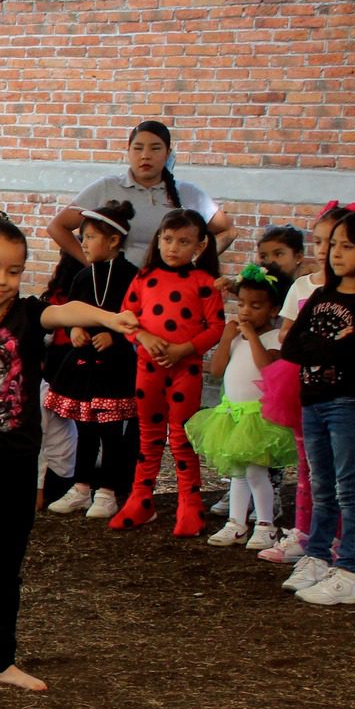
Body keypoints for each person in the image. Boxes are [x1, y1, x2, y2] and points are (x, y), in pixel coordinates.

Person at [0, 212, 138, 700]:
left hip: (18, 460)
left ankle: (2, 662)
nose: (2, 281)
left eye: (13, 271)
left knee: (7, 563)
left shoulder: (27, 314)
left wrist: (107, 319)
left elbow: (67, 311)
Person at [279, 209, 355, 606]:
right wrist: (326, 347)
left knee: (350, 488)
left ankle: (350, 571)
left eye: (348, 246)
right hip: (313, 401)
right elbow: (291, 346)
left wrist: (321, 346)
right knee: (322, 487)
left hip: (348, 402)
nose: (336, 253)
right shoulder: (323, 294)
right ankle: (317, 556)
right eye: (333, 245)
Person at [106, 209, 225, 537]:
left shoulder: (204, 283)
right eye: (168, 239)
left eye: (183, 241)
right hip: (148, 369)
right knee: (148, 435)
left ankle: (190, 503)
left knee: (182, 436)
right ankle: (141, 498)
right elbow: (126, 316)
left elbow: (216, 327)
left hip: (185, 369)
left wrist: (184, 349)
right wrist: (142, 336)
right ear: (158, 240)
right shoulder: (144, 277)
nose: (173, 247)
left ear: (199, 246)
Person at [264, 204, 355, 563]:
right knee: (308, 464)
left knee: (340, 467)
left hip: (341, 383)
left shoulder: (353, 290)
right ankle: (305, 532)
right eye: (319, 241)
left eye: (333, 242)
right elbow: (287, 333)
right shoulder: (303, 286)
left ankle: (336, 537)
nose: (324, 250)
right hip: (299, 380)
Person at [41, 201, 140, 521]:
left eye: (90, 237)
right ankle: (81, 487)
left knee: (111, 433)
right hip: (83, 366)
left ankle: (108, 492)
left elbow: (139, 317)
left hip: (115, 366)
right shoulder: (83, 277)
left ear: (113, 241)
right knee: (84, 429)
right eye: (82, 237)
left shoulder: (131, 276)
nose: (82, 243)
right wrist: (75, 330)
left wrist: (117, 336)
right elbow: (72, 312)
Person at [189, 265, 294, 549]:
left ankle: (265, 525)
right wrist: (226, 338)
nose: (245, 311)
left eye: (255, 306)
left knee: (256, 472)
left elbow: (267, 368)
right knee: (238, 473)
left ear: (273, 310)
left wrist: (253, 337)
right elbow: (217, 369)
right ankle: (236, 523)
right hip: (232, 414)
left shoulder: (274, 339)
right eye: (242, 304)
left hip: (257, 417)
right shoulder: (235, 337)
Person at [46, 119, 235, 272]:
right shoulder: (107, 187)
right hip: (116, 289)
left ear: (168, 153)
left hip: (165, 292)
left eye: (155, 148)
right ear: (128, 151)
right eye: (138, 148)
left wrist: (195, 265)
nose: (145, 155)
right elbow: (57, 226)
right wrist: (90, 264)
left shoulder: (187, 193)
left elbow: (228, 230)